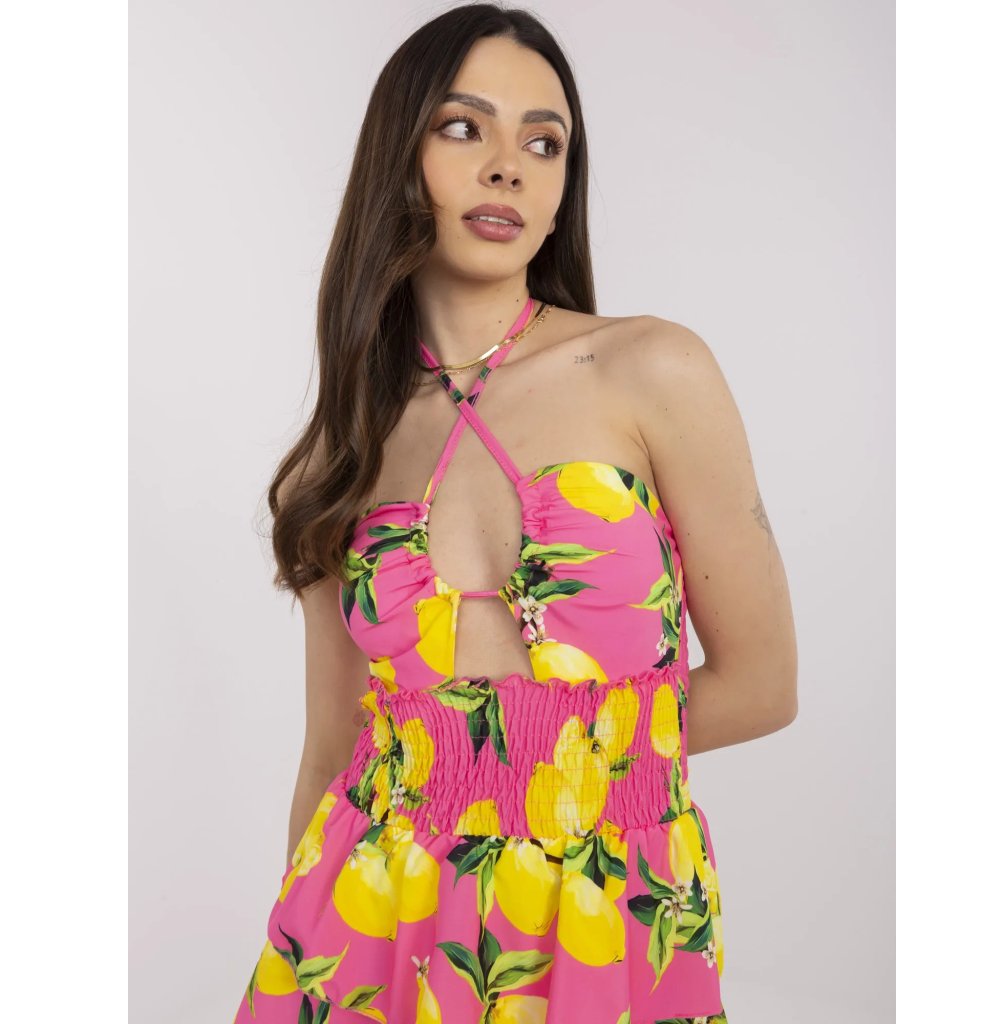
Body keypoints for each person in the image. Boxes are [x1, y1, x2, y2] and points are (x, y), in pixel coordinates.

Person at [232, 4, 797, 1022]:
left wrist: (554, 766)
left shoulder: (651, 368)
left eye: (544, 143)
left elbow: (762, 686)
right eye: (464, 128)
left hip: (606, 913)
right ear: (397, 156)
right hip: (372, 917)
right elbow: (329, 751)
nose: (508, 169)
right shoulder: (340, 453)